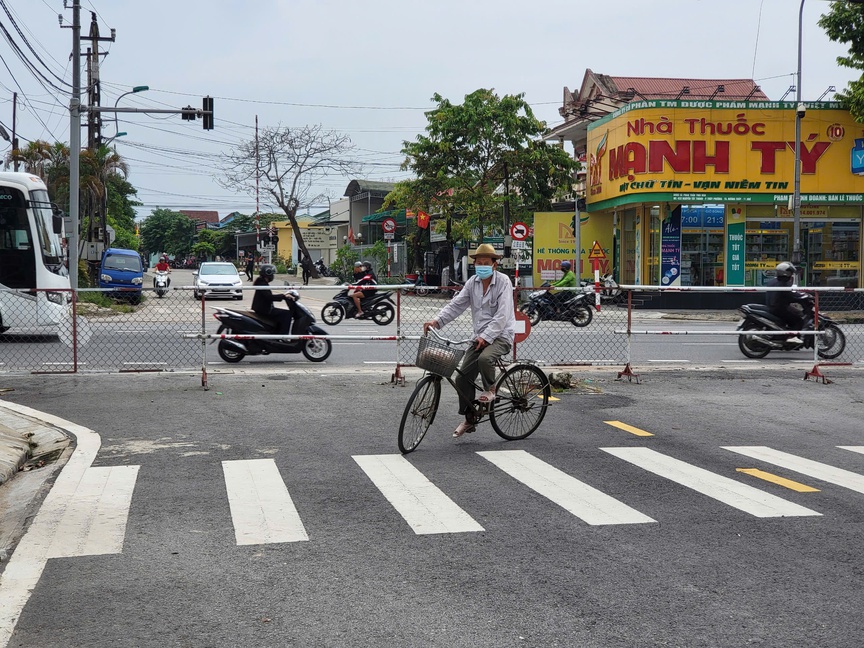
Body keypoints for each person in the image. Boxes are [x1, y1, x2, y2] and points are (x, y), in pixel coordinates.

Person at [423, 243, 516, 438]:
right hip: (479, 337)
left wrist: (487, 336)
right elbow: (456, 305)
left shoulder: (504, 282)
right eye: (478, 263)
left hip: (501, 336)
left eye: (485, 263)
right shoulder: (472, 282)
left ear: (494, 265)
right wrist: (437, 321)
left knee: (484, 360)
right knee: (461, 378)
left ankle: (490, 389)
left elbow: (502, 315)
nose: (481, 266)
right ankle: (470, 419)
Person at [766, 261, 804, 345]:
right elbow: (791, 295)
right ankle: (792, 337)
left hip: (774, 307)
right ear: (786, 273)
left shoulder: (774, 281)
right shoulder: (783, 284)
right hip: (779, 308)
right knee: (798, 319)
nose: (791, 275)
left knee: (795, 312)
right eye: (790, 272)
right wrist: (801, 298)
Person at [251, 264, 295, 334]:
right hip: (264, 310)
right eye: (272, 274)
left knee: (282, 314)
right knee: (287, 314)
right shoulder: (262, 284)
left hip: (264, 309)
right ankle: (283, 335)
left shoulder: (262, 282)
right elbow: (269, 297)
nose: (273, 276)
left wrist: (283, 296)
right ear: (268, 273)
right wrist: (283, 296)